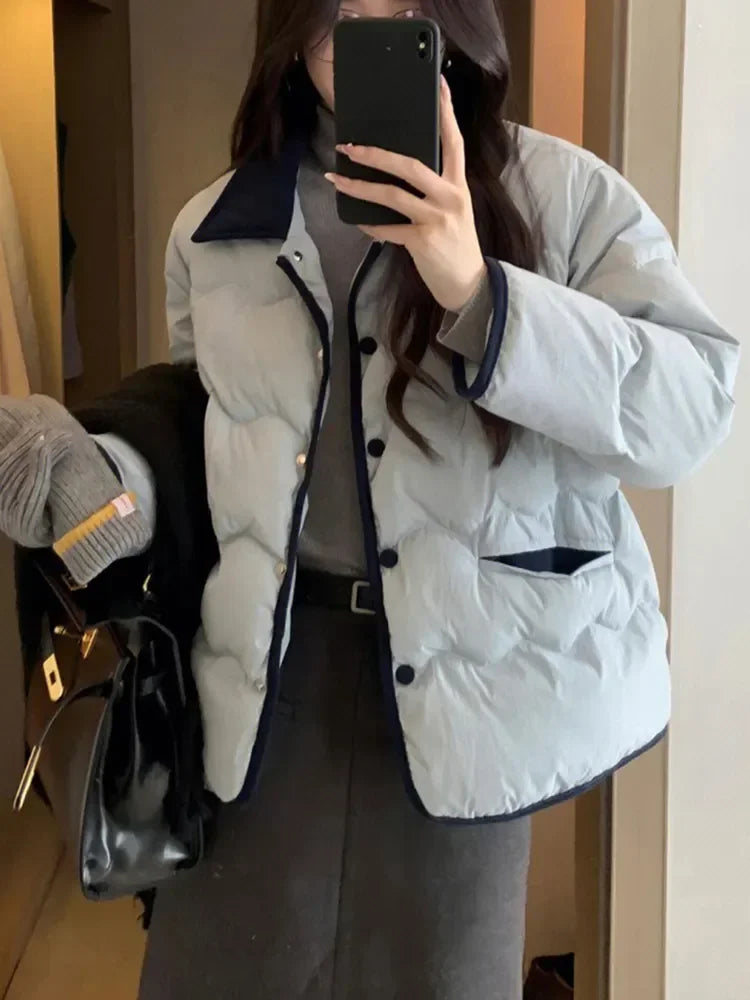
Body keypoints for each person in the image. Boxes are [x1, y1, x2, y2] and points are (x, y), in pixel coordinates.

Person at [0, 0, 739, 996]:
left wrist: (480, 293)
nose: (364, 25)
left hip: (469, 694)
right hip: (265, 685)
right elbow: (213, 445)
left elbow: (693, 404)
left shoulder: (558, 194)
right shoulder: (218, 228)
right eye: (335, 9)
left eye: (398, 5)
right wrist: (101, 478)